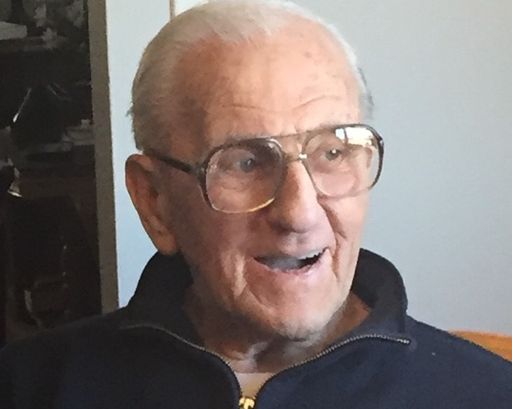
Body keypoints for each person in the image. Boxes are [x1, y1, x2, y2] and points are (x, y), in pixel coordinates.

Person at [1, 1, 511, 408]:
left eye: (333, 152)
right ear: (154, 201)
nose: (300, 213)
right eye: (244, 162)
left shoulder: (488, 393)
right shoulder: (29, 388)